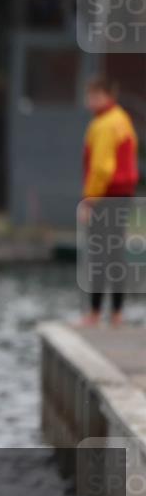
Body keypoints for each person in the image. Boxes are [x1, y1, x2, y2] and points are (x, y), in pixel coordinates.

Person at [79, 75, 139, 328]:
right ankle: (116, 314)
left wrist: (89, 200)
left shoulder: (103, 124)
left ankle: (94, 313)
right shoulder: (123, 119)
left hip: (106, 195)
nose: (91, 101)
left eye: (95, 96)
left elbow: (102, 167)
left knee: (99, 254)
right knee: (115, 253)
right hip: (123, 195)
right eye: (90, 96)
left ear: (108, 96)